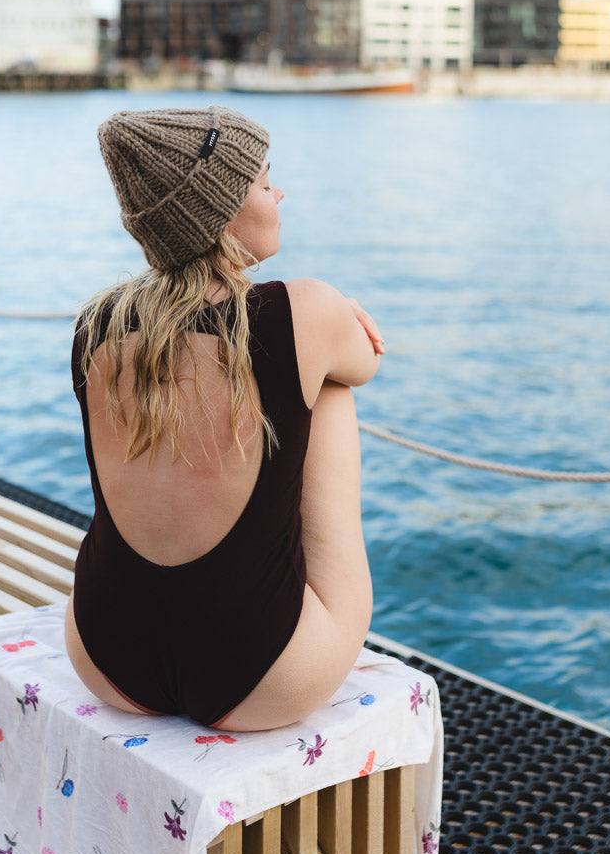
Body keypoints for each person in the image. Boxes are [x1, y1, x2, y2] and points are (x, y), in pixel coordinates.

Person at [65, 105, 384, 731]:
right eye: (266, 181)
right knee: (334, 385)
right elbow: (366, 362)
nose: (280, 191)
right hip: (264, 675)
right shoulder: (302, 310)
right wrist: (334, 315)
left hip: (106, 657)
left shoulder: (94, 327)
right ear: (223, 210)